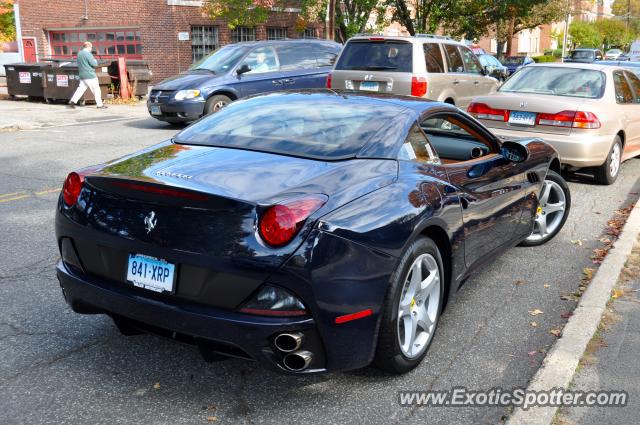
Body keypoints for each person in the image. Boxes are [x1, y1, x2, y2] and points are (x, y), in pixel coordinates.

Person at [68, 41, 107, 109]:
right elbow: (94, 64)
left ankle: (72, 102)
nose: (91, 49)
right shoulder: (88, 54)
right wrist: (95, 61)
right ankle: (99, 104)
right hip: (90, 75)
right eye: (91, 47)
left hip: (82, 75)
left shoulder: (79, 53)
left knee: (80, 89)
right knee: (96, 89)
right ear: (88, 47)